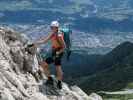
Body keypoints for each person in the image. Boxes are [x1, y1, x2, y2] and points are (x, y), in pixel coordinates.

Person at [31, 21, 66, 89]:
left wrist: (58, 53)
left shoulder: (59, 35)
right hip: (55, 52)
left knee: (44, 64)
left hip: (58, 53)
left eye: (53, 27)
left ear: (57, 27)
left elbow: (64, 46)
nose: (52, 29)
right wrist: (34, 43)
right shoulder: (53, 34)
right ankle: (58, 82)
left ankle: (51, 80)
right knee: (58, 67)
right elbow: (44, 41)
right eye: (51, 27)